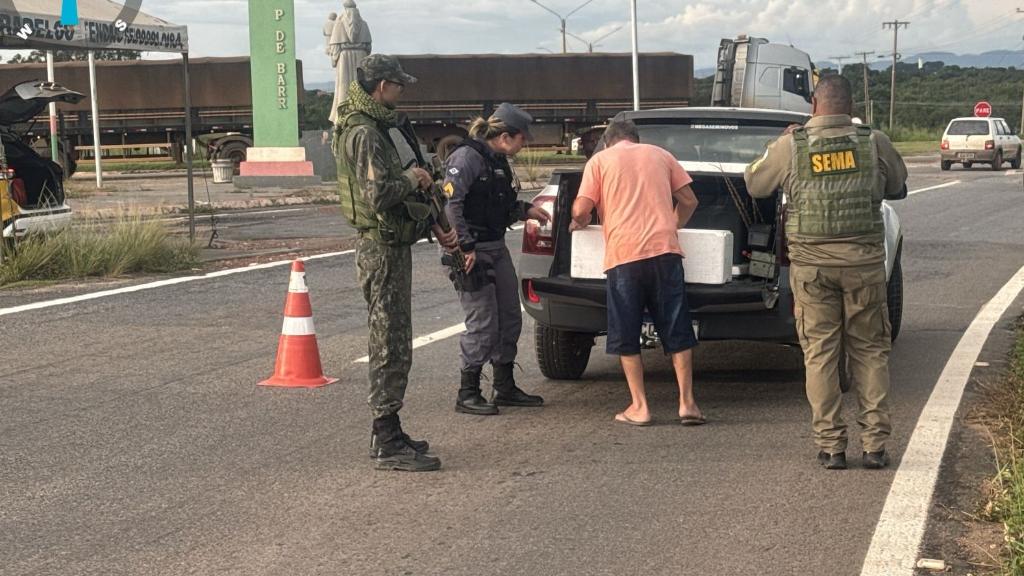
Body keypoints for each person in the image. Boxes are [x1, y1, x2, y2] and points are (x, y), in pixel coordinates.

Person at [743, 74, 908, 470]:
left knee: (819, 355)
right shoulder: (874, 141)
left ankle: (832, 447)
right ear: (851, 108)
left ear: (814, 105)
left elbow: (754, 183)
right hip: (864, 267)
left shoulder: (792, 145)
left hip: (812, 269)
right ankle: (874, 446)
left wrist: (778, 143)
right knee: (870, 352)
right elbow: (898, 186)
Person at [334, 54, 458, 472]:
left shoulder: (381, 125)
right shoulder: (364, 132)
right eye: (398, 85)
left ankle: (389, 428)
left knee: (397, 339)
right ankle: (386, 438)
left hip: (393, 245)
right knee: (389, 342)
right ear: (381, 86)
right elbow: (379, 195)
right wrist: (415, 179)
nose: (402, 92)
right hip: (380, 249)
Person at [569, 119, 704, 427]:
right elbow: (689, 200)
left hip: (624, 257)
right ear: (636, 138)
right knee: (676, 325)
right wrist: (671, 225)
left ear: (607, 142)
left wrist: (581, 218)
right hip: (665, 252)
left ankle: (640, 407)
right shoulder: (661, 154)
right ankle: (687, 403)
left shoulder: (600, 161)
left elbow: (580, 210)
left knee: (626, 330)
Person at [442, 103, 551, 415]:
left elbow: (496, 201)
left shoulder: (497, 161)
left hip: (494, 244)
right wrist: (464, 247)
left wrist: (524, 209)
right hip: (470, 250)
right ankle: (468, 392)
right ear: (505, 136)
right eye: (522, 139)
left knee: (509, 316)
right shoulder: (466, 158)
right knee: (483, 321)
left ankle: (504, 386)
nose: (523, 145)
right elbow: (453, 205)